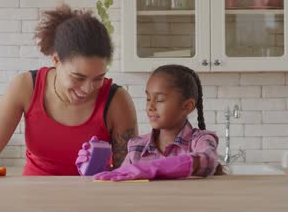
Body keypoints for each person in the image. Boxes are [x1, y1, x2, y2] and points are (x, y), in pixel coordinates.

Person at [0, 4, 138, 176]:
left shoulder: (117, 101)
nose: (88, 88)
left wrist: (100, 169)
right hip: (32, 196)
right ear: (56, 60)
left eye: (98, 78)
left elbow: (126, 171)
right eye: (78, 77)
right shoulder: (26, 87)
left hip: (94, 199)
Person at [88, 64, 221, 181]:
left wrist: (157, 167)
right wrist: (95, 167)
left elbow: (207, 158)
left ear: (187, 106)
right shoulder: (136, 146)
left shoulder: (200, 140)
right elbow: (122, 180)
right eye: (148, 98)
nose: (150, 106)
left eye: (160, 100)